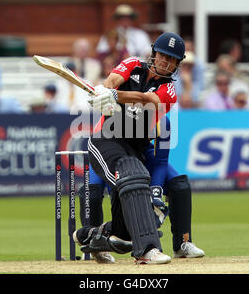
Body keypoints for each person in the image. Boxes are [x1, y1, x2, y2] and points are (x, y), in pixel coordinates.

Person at [73, 32, 186, 264]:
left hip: (135, 147)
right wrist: (105, 92)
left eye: (172, 59)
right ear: (154, 53)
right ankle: (148, 250)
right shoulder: (133, 64)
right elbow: (113, 79)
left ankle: (91, 234)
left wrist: (115, 95)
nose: (166, 62)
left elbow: (148, 100)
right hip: (107, 139)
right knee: (131, 179)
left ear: (177, 64)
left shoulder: (169, 90)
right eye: (163, 55)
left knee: (125, 228)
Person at [79, 115, 205, 264]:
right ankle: (97, 246)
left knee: (179, 185)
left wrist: (155, 195)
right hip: (109, 152)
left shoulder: (162, 121)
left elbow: (160, 162)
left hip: (141, 151)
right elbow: (112, 170)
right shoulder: (117, 115)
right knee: (92, 192)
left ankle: (183, 243)